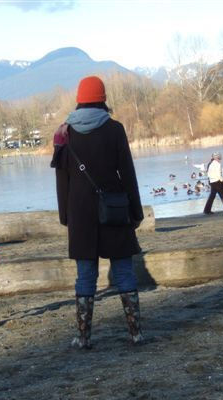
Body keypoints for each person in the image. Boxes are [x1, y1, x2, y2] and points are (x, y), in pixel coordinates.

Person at [51, 75, 144, 349]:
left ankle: (83, 337)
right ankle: (136, 333)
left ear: (79, 100)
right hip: (114, 209)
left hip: (80, 214)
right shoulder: (115, 129)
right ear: (103, 99)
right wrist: (135, 211)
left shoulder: (64, 133)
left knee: (85, 276)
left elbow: (62, 180)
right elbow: (128, 173)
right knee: (124, 271)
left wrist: (65, 216)